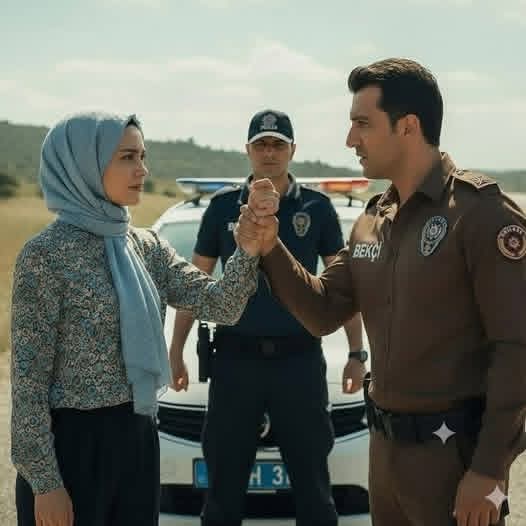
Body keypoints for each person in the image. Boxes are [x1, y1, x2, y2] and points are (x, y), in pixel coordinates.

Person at [236, 59, 526, 526]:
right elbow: (322, 311)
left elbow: (517, 349)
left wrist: (490, 469)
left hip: (453, 465)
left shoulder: (481, 215)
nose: (350, 139)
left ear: (408, 126)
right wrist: (271, 247)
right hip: (386, 459)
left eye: (362, 124)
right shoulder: (372, 220)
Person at [10, 112, 262, 526]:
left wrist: (247, 250)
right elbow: (28, 380)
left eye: (142, 156)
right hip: (70, 450)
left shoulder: (147, 247)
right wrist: (45, 483)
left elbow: (222, 306)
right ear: (84, 165)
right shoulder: (45, 256)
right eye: (127, 157)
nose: (142, 169)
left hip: (137, 439)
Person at [170, 109, 365, 526]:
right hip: (234, 363)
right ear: (248, 150)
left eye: (278, 144)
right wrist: (176, 351)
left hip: (300, 363)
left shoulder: (317, 208)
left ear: (293, 150)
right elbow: (194, 282)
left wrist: (356, 353)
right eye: (262, 144)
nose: (270, 152)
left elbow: (342, 288)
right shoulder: (223, 207)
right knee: (222, 497)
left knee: (315, 493)